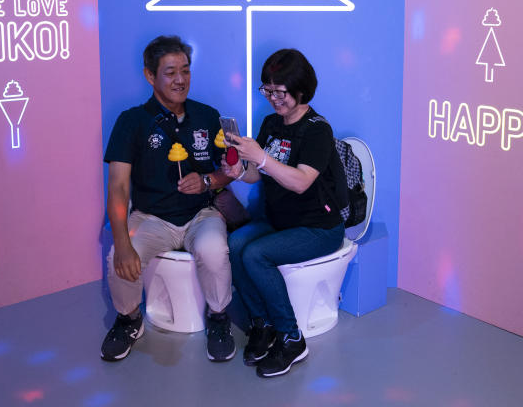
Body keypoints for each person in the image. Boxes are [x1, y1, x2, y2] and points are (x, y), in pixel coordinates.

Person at [101, 35, 235, 362]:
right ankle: (129, 319)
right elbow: (118, 186)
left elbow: (231, 170)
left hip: (201, 214)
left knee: (213, 251)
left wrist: (206, 181)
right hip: (151, 218)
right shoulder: (131, 121)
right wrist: (122, 242)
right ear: (150, 76)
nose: (180, 80)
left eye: (186, 71)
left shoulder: (207, 115)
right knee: (116, 263)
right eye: (171, 72)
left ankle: (219, 318)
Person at [223, 48, 346, 378]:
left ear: (301, 89)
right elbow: (256, 174)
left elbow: (302, 181)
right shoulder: (270, 124)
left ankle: (292, 338)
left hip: (319, 228)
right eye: (268, 89)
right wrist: (238, 170)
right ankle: (261, 325)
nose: (274, 98)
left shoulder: (317, 129)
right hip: (279, 222)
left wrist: (260, 157)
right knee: (235, 245)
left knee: (256, 255)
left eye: (281, 91)